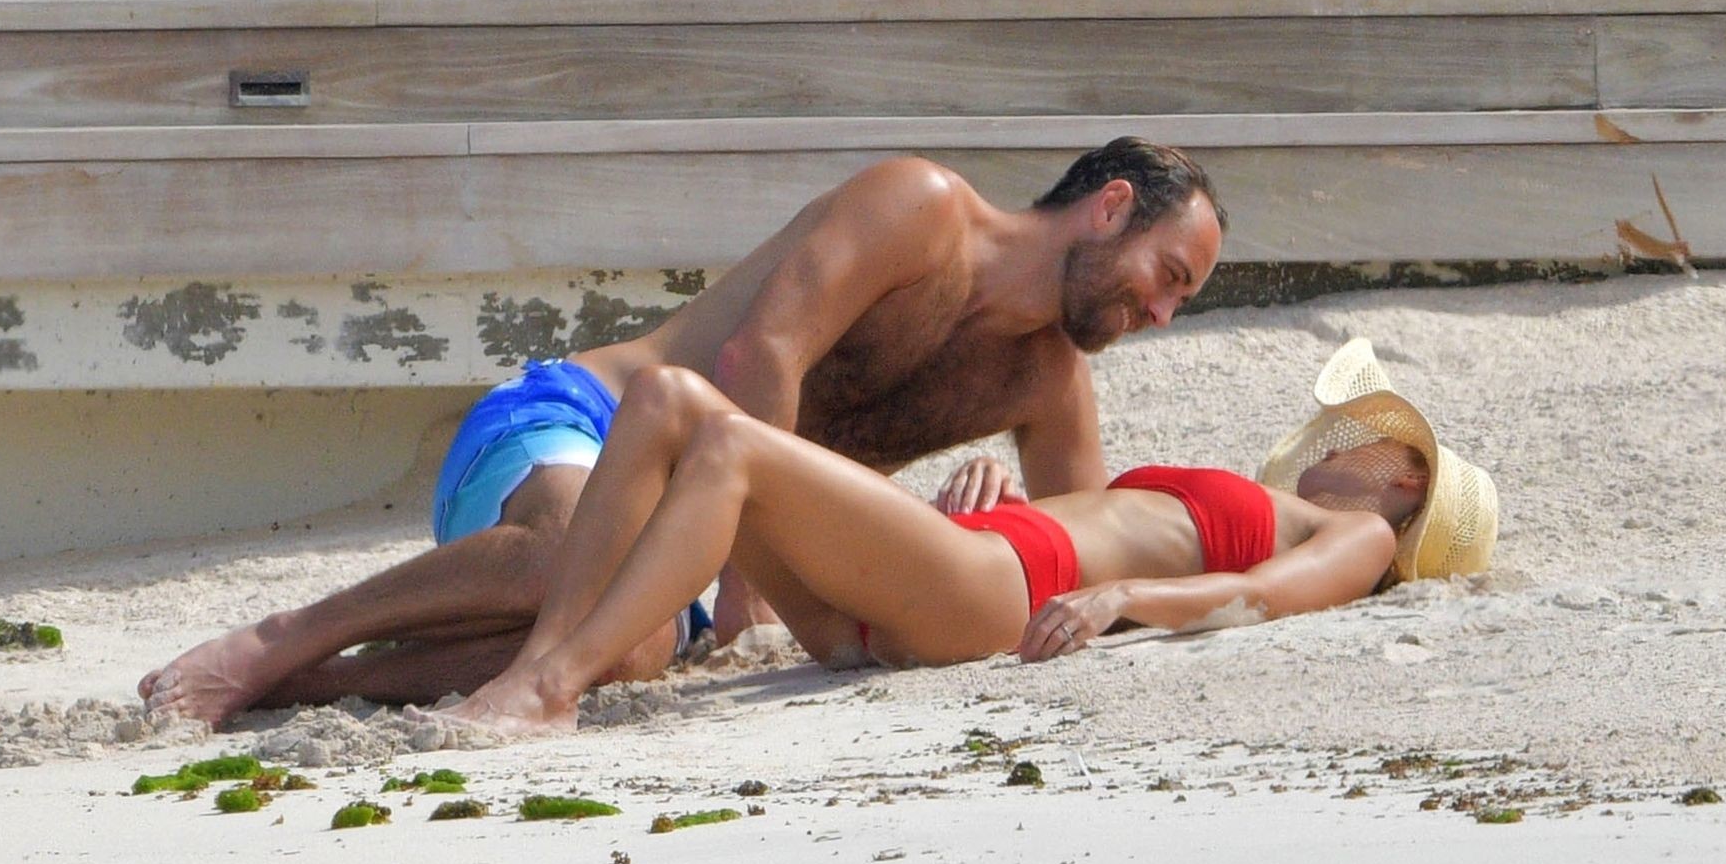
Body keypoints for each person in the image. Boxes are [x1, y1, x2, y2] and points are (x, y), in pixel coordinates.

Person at [140, 138, 1227, 724]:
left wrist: (996, 509)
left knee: (636, 645)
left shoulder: (1050, 380)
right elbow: (762, 356)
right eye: (1168, 275)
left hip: (700, 528)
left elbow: (1074, 554)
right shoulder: (925, 208)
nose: (1163, 312)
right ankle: (281, 638)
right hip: (584, 419)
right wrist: (754, 591)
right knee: (578, 562)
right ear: (1108, 207)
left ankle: (304, 687)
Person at [410, 337, 1499, 736]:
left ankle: (549, 684)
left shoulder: (1358, 533)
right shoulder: (1291, 505)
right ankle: (541, 663)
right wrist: (981, 513)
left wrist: (1127, 602)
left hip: (1000, 591)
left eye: (1366, 442)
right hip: (965, 572)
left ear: (1403, 481)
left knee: (725, 441)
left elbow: (1268, 598)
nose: (1339, 444)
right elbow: (1107, 523)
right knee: (667, 400)